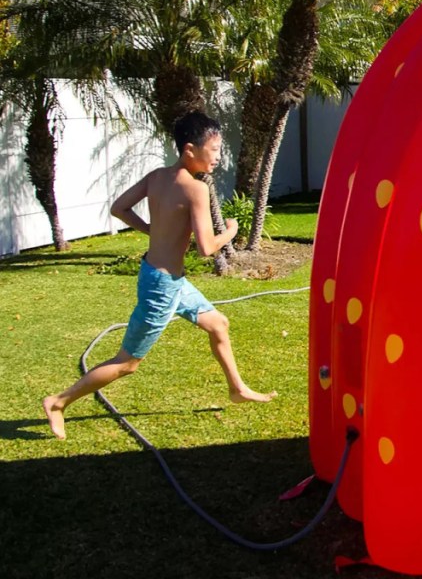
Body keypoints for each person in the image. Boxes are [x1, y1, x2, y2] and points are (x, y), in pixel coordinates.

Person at [43, 112, 276, 440]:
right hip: (162, 287)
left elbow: (118, 208)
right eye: (214, 149)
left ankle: (237, 388)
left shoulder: (156, 177)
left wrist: (152, 231)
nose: (218, 157)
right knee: (127, 363)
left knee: (218, 323)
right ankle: (58, 402)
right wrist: (233, 231)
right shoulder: (195, 190)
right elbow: (206, 248)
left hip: (165, 278)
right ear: (190, 149)